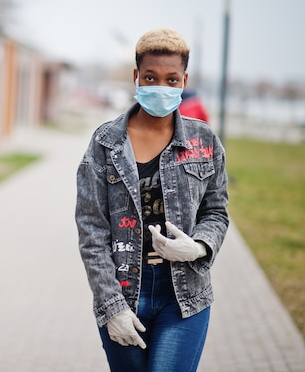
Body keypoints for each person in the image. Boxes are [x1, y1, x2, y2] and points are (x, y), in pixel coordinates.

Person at [75, 28, 229, 372]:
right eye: (151, 77)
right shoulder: (105, 143)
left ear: (184, 80)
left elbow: (216, 211)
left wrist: (199, 247)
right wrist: (111, 305)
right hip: (124, 292)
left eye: (172, 79)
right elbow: (91, 230)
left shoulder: (205, 141)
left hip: (185, 297)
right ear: (136, 77)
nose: (162, 86)